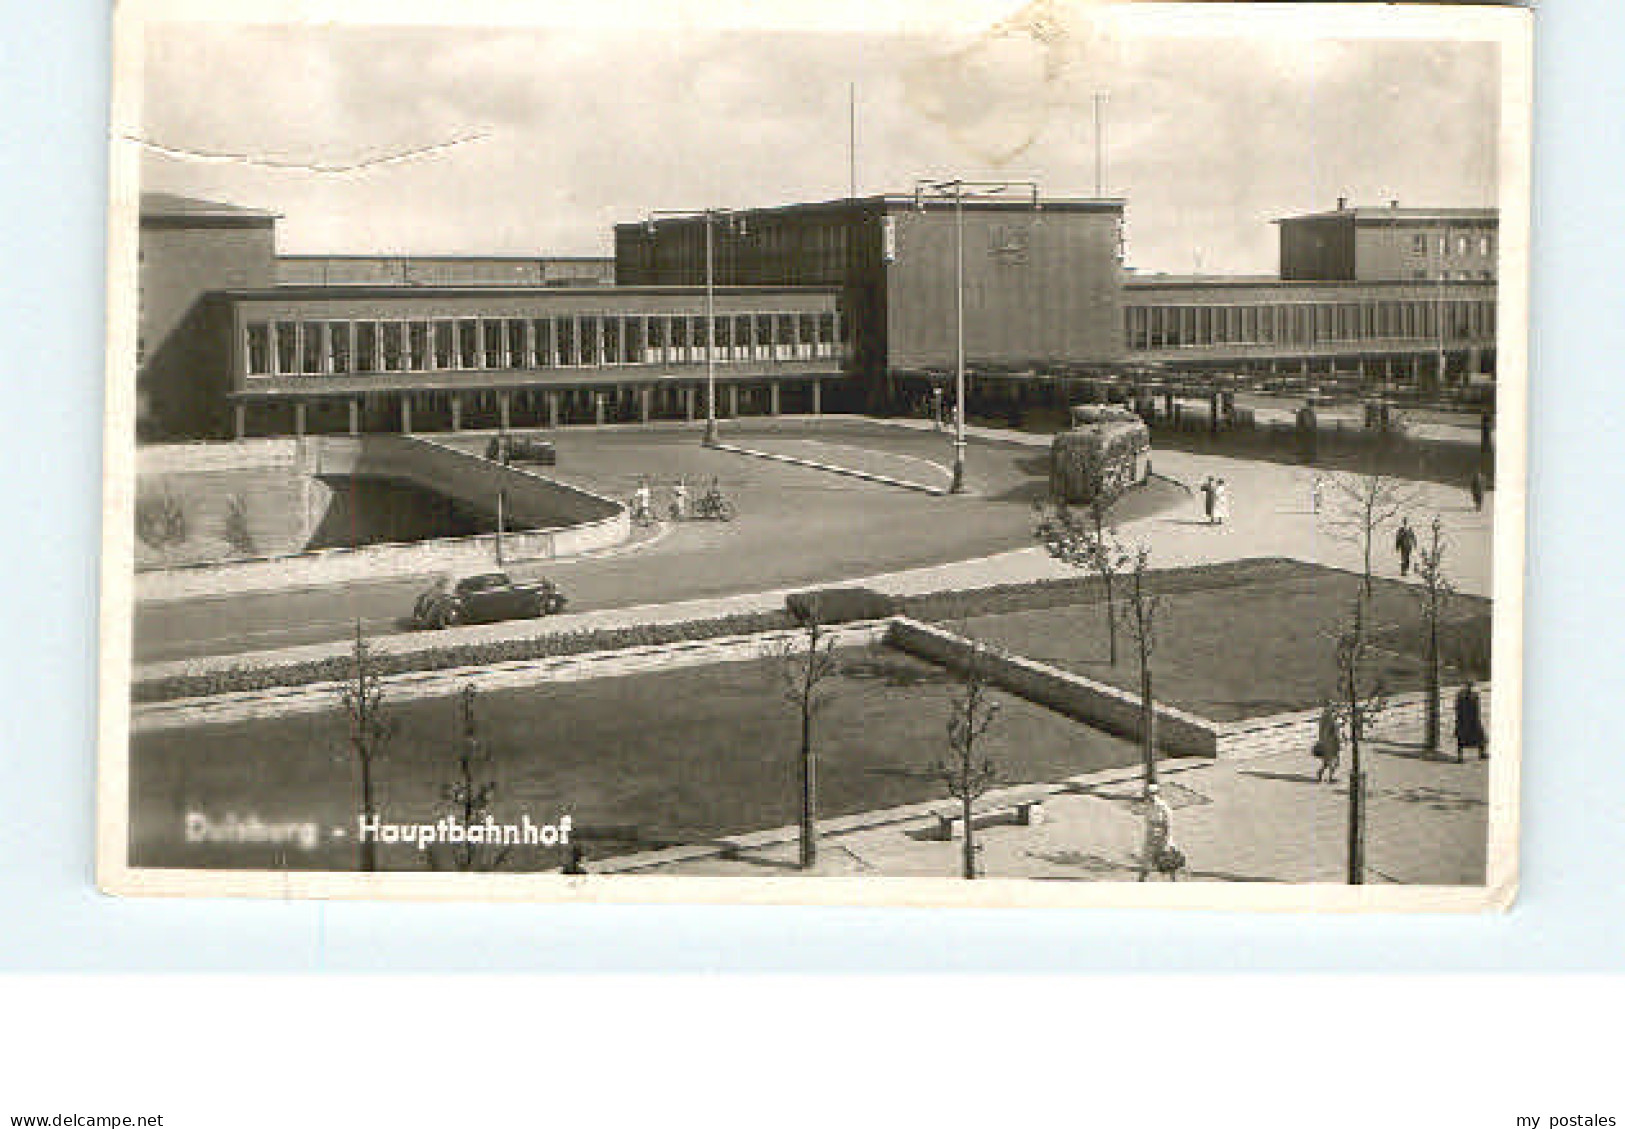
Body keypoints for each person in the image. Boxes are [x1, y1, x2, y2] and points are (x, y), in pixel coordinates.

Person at [1138, 783, 1175, 881]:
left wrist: (1167, 841)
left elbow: (1168, 825)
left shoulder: (1164, 808)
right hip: (1150, 838)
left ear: (1157, 793)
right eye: (1149, 793)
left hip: (1162, 838)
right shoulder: (1148, 806)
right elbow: (1148, 822)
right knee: (1145, 864)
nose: (1150, 796)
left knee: (1168, 863)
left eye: (1152, 793)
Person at [1455, 681, 1487, 762]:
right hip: (1468, 719)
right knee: (1463, 738)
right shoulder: (1468, 695)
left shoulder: (1464, 695)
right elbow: (1459, 708)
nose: (1469, 688)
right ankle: (1461, 757)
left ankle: (1481, 753)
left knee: (1479, 737)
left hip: (1469, 719)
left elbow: (1458, 708)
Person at [1313, 702, 1341, 784]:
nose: (1333, 708)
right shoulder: (1327, 717)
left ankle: (1321, 774)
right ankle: (1330, 777)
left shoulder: (1329, 717)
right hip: (1329, 742)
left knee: (1329, 761)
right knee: (1332, 761)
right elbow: (1325, 730)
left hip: (1332, 741)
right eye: (1331, 706)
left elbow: (1334, 729)